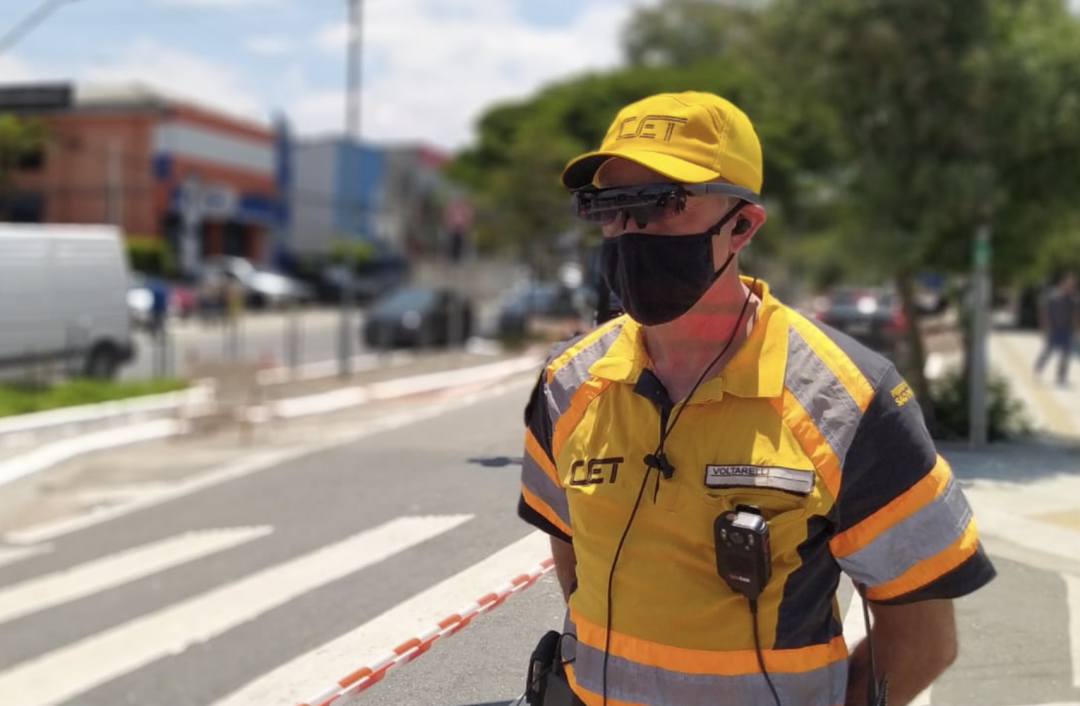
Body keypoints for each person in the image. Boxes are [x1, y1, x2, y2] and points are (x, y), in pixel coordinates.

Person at [517, 91, 996, 706]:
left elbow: (924, 638)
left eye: (662, 203)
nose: (630, 231)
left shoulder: (850, 402)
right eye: (609, 207)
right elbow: (575, 567)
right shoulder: (566, 385)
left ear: (742, 225)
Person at [1034, 271, 1078, 386]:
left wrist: (1076, 330)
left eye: (1073, 284)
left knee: (1066, 354)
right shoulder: (1053, 296)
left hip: (1067, 330)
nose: (1071, 286)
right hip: (1054, 328)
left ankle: (1061, 376)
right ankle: (1038, 370)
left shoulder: (1073, 299)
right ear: (1063, 283)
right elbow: (1044, 311)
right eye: (1069, 283)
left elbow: (1075, 315)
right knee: (1048, 351)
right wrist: (1045, 327)